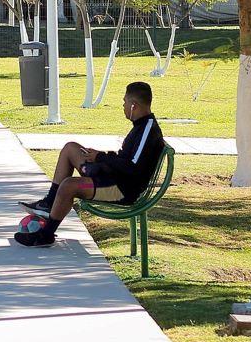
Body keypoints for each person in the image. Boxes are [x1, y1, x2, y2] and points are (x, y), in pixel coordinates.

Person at [15, 81, 165, 247]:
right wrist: (99, 159)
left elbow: (133, 168)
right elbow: (127, 160)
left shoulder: (147, 130)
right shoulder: (141, 126)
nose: (123, 106)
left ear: (133, 105)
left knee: (69, 186)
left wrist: (101, 158)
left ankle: (46, 234)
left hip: (118, 191)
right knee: (70, 148)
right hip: (111, 178)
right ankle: (48, 203)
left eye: (125, 102)